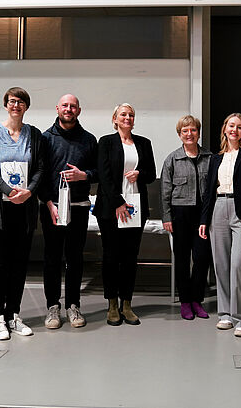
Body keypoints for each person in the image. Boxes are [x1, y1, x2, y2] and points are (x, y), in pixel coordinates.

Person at [0, 87, 44, 340]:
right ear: (5, 105)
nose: (16, 105)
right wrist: (8, 190)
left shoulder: (35, 135)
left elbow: (40, 168)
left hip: (24, 209)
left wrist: (28, 191)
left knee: (19, 264)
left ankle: (13, 315)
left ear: (26, 107)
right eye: (12, 101)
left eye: (21, 102)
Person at [199, 113, 241, 338]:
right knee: (221, 265)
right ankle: (225, 313)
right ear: (225, 129)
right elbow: (208, 191)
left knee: (238, 264)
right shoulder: (216, 158)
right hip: (218, 208)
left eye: (239, 127)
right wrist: (203, 221)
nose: (234, 130)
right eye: (231, 126)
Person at [93, 103, 156, 326]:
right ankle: (111, 305)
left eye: (131, 114)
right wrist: (118, 202)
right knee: (111, 257)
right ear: (115, 118)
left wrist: (139, 173)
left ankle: (127, 304)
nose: (127, 117)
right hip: (111, 209)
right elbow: (104, 175)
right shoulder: (106, 142)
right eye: (123, 114)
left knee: (130, 257)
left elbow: (150, 174)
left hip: (136, 208)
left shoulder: (143, 143)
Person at [39, 94, 98, 330]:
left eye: (73, 106)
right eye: (65, 105)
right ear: (57, 108)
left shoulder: (89, 140)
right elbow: (39, 174)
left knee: (75, 258)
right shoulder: (44, 139)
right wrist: (48, 203)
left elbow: (98, 172)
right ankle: (53, 306)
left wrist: (84, 175)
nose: (69, 109)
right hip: (53, 208)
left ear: (79, 111)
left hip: (80, 206)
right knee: (52, 258)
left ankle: (74, 305)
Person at [160, 115, 212, 320]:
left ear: (198, 132)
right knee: (181, 259)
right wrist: (167, 217)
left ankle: (197, 300)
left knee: (201, 258)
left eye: (193, 130)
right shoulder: (172, 159)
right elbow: (165, 191)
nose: (189, 134)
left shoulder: (210, 158)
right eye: (185, 131)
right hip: (180, 214)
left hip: (203, 216)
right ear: (180, 134)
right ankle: (185, 302)